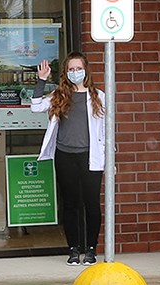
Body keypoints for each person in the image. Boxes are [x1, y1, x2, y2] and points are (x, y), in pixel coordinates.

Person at [31, 52, 106, 266]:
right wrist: (42, 80)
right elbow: (36, 106)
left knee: (92, 203)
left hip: (90, 157)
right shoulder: (60, 95)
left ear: (86, 70)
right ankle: (73, 249)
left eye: (78, 68)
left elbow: (107, 131)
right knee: (70, 204)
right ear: (66, 72)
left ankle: (91, 249)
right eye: (71, 69)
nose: (75, 73)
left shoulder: (98, 97)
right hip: (64, 156)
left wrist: (111, 160)